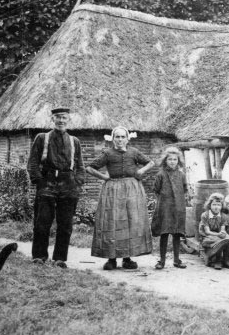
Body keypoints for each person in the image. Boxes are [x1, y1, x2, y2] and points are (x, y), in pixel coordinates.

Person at [86, 126, 154, 270]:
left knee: (130, 222)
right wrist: (105, 177)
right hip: (113, 191)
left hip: (132, 190)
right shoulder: (108, 153)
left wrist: (140, 171)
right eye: (117, 137)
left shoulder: (134, 152)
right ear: (113, 138)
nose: (120, 140)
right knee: (113, 222)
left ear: (127, 139)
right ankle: (111, 259)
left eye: (123, 137)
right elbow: (90, 168)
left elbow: (151, 163)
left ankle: (127, 259)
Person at [27, 107, 86, 268]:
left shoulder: (75, 141)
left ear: (69, 120)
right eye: (58, 117)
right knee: (42, 222)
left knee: (65, 224)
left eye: (64, 117)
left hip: (68, 184)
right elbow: (32, 162)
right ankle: (39, 256)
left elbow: (80, 165)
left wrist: (78, 182)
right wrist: (39, 180)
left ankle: (60, 258)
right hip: (47, 182)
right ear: (52, 119)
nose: (61, 120)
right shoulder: (42, 138)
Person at [151, 146, 188, 270]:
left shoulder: (182, 175)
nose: (172, 162)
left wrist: (180, 203)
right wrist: (164, 201)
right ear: (165, 161)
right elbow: (156, 190)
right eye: (170, 159)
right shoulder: (161, 174)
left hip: (178, 208)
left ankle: (177, 260)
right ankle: (161, 261)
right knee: (164, 233)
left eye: (175, 159)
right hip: (165, 208)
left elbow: (185, 189)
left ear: (179, 161)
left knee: (177, 233)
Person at [199, 193, 229, 270]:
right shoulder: (205, 215)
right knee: (220, 241)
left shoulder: (223, 216)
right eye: (214, 204)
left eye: (219, 205)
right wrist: (219, 235)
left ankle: (226, 260)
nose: (216, 207)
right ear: (210, 205)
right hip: (207, 236)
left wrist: (223, 233)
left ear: (222, 206)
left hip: (218, 235)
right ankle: (217, 261)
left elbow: (222, 229)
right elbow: (207, 231)